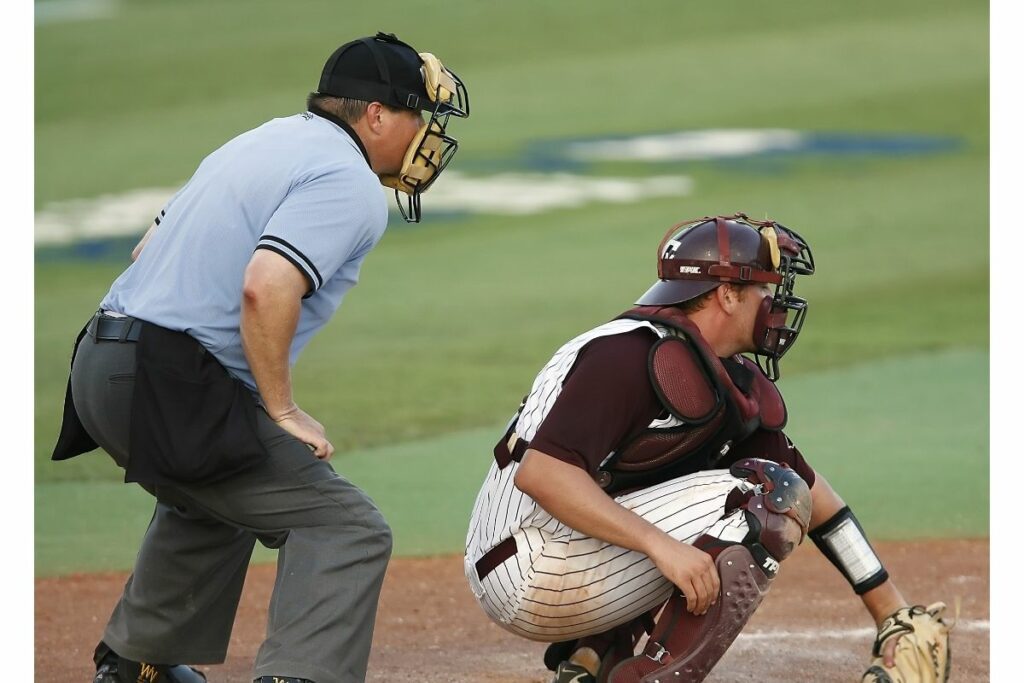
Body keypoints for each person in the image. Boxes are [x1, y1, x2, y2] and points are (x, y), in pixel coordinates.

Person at [51, 31, 469, 683]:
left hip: (100, 364)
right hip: (167, 376)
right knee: (346, 528)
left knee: (228, 487)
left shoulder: (265, 140)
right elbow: (265, 283)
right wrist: (281, 406)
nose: (426, 134)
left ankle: (138, 663)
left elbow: (146, 248)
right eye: (418, 114)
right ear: (377, 114)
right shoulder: (348, 180)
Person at [464, 214, 952, 682]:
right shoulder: (629, 354)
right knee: (760, 498)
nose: (774, 304)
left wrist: (891, 611)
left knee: (768, 485)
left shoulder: (716, 370)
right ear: (726, 295)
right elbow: (542, 474)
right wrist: (662, 546)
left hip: (559, 550)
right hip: (526, 561)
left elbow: (810, 491)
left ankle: (595, 653)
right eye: (763, 288)